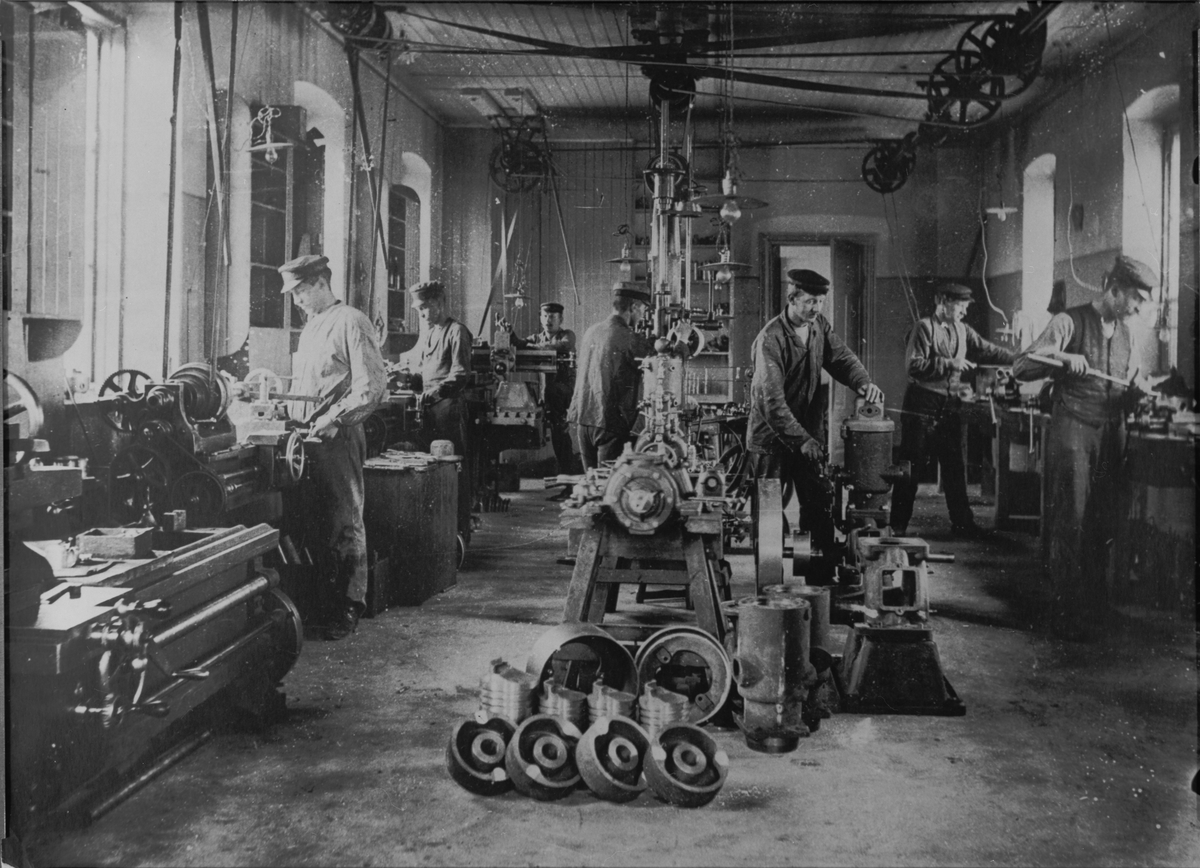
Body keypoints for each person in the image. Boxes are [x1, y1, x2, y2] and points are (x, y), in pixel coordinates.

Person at [1012, 253, 1156, 641]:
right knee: (1071, 519)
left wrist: (1138, 391)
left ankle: (1095, 606)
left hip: (1112, 432)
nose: (1139, 308)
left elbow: (1125, 382)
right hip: (1074, 428)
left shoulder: (1127, 334)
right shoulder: (1068, 322)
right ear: (1115, 290)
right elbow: (1020, 366)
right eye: (1137, 299)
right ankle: (1065, 611)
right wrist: (1061, 358)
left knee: (1104, 521)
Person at [280, 254, 386, 641]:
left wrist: (336, 419)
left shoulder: (351, 321)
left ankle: (349, 604)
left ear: (321, 283)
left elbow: (371, 387)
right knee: (315, 521)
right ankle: (321, 602)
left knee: (345, 519)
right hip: (305, 438)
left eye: (300, 291)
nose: (296, 300)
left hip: (338, 436)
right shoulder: (311, 327)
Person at [746, 268, 884, 556]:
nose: (816, 308)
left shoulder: (818, 325)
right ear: (792, 298)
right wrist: (802, 440)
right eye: (810, 301)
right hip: (771, 439)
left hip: (806, 433)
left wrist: (863, 382)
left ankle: (820, 571)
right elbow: (771, 401)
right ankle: (768, 575)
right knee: (769, 513)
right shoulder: (770, 338)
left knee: (819, 500)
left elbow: (841, 358)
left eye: (820, 301)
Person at [889, 283, 1015, 538]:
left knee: (954, 468)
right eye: (960, 306)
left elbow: (987, 349)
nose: (964, 312)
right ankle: (897, 526)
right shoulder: (924, 327)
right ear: (943, 301)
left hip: (949, 406)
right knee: (911, 468)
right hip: (921, 404)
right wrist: (949, 363)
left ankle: (962, 524)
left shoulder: (962, 329)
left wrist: (1018, 358)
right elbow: (913, 366)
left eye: (966, 307)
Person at [398, 280, 475, 539]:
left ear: (440, 303)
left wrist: (434, 392)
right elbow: (424, 373)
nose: (420, 314)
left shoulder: (457, 332)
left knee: (454, 470)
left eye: (424, 308)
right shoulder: (430, 333)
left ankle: (460, 533)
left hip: (448, 411)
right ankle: (438, 533)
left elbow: (460, 375)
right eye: (418, 309)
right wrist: (407, 377)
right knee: (433, 471)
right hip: (430, 411)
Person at [507, 301, 578, 476]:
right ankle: (565, 477)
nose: (548, 320)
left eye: (552, 317)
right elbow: (519, 343)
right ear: (540, 318)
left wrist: (534, 347)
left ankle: (568, 478)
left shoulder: (567, 335)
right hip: (547, 395)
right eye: (545, 316)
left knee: (560, 435)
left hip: (563, 394)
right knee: (556, 435)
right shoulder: (537, 337)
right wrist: (510, 333)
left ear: (561, 319)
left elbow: (562, 346)